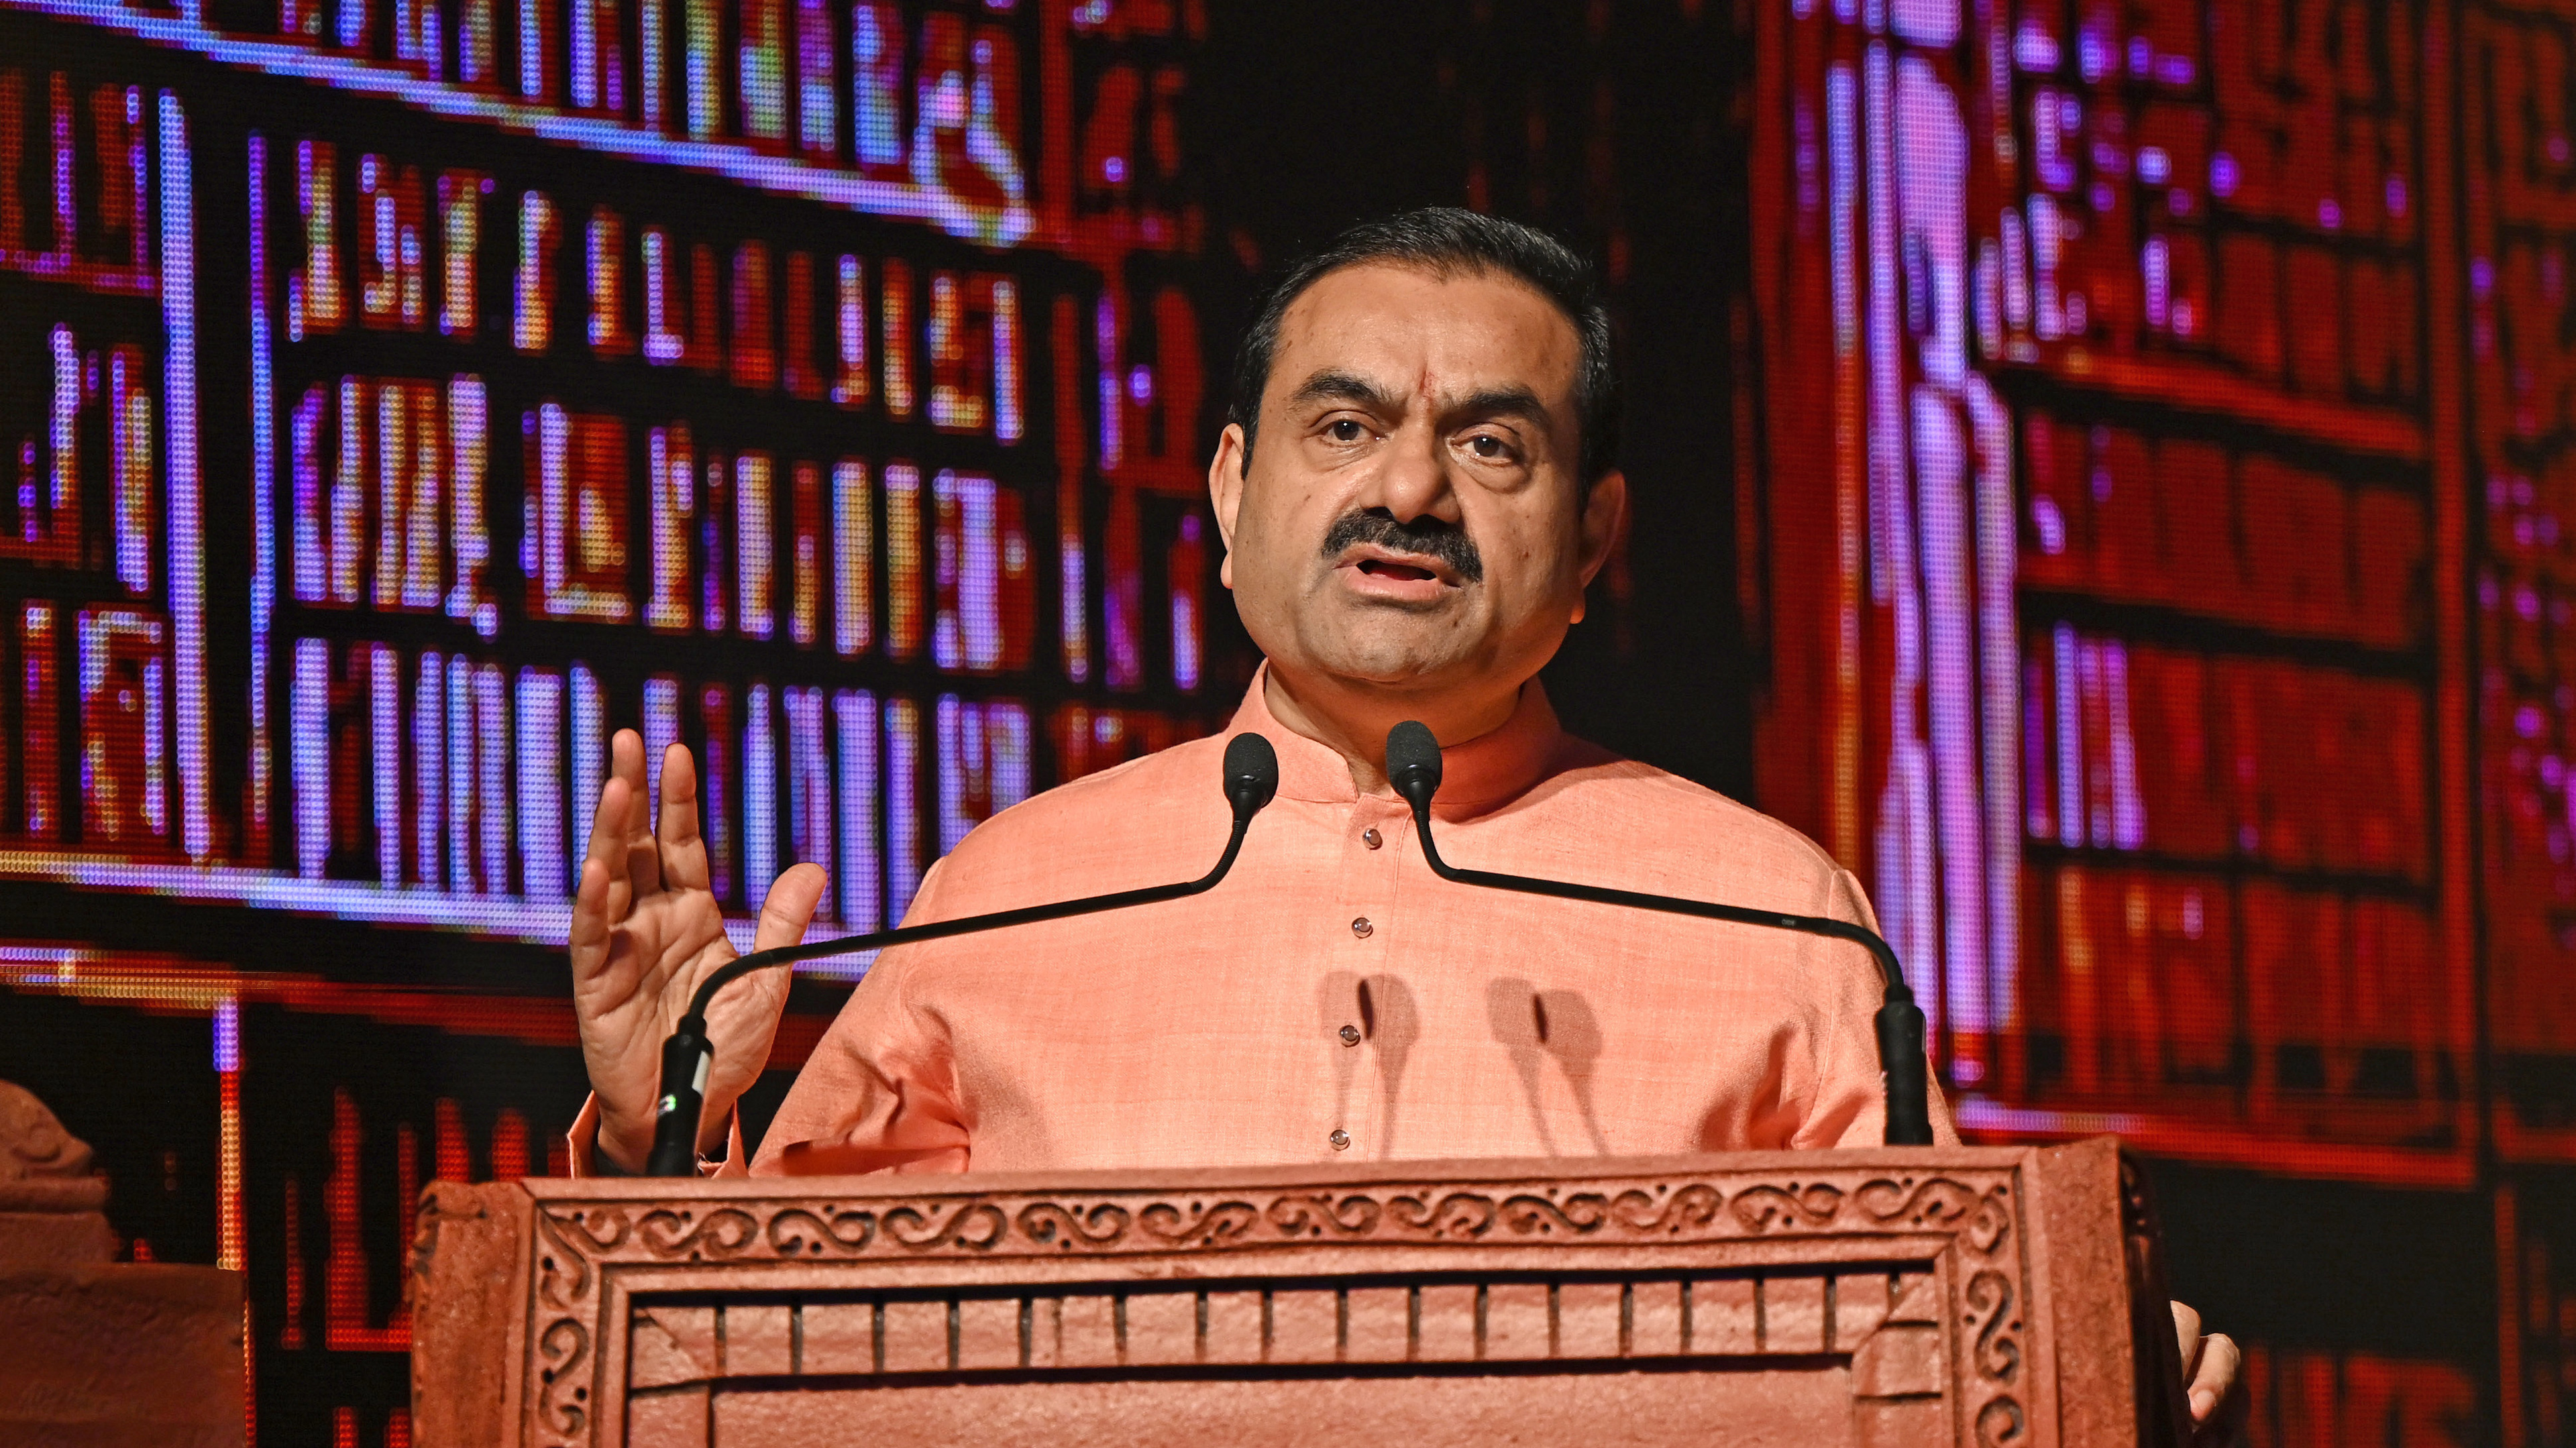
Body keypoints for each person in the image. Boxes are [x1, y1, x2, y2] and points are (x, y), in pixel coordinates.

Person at [566, 207, 2243, 1439]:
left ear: (1592, 541)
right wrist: (656, 1142)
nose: (1412, 492)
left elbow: (1920, 1368)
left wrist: (2099, 1387)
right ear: (1232, 493)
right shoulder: (1008, 890)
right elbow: (757, 1376)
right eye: (1347, 426)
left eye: (1490, 444)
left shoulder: (1774, 914)